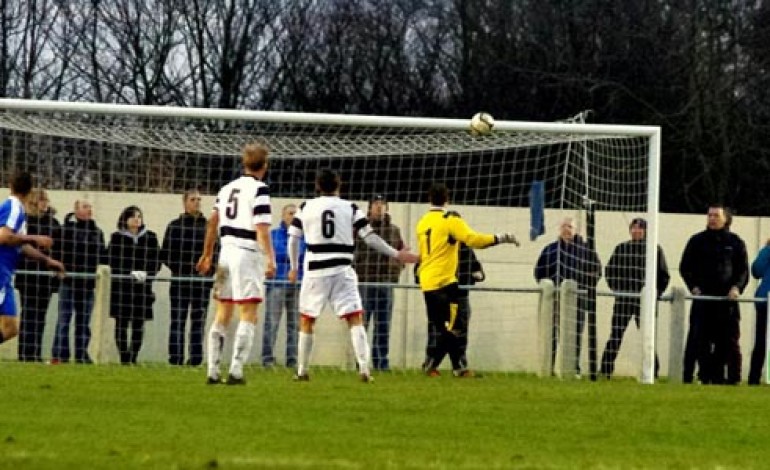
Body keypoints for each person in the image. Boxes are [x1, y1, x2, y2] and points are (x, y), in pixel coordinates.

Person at [287, 169, 419, 382]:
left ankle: (302, 371)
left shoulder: (305, 207)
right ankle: (365, 370)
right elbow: (370, 237)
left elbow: (293, 238)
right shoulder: (350, 208)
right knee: (355, 318)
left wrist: (294, 267)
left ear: (318, 186)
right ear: (339, 185)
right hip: (342, 268)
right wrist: (397, 254)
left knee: (307, 319)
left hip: (316, 270)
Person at [416, 182, 519, 378]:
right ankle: (437, 365)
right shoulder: (450, 219)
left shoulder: (423, 221)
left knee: (443, 328)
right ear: (447, 199)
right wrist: (501, 237)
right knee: (455, 327)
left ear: (429, 199)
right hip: (445, 283)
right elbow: (473, 240)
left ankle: (455, 368)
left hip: (427, 282)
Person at [196, 142, 276, 385]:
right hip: (246, 253)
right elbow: (262, 228)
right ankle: (236, 370)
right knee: (249, 311)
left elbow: (212, 222)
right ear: (265, 165)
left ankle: (212, 370)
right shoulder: (260, 190)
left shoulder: (226, 188)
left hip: (225, 254)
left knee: (222, 311)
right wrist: (270, 258)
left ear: (244, 163)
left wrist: (207, 253)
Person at [679, 204, 748, 385]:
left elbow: (743, 271)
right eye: (709, 215)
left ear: (725, 218)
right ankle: (702, 376)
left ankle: (728, 379)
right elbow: (685, 267)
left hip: (727, 303)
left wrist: (736, 288)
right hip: (703, 301)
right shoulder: (697, 241)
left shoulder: (735, 243)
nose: (712, 219)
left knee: (727, 342)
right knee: (699, 341)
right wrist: (693, 287)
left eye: (716, 216)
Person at [1, 173, 65, 349]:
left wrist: (47, 260)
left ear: (10, 185)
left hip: (5, 273)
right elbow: (4, 237)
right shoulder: (13, 207)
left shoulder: (18, 210)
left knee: (11, 328)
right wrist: (35, 238)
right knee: (10, 327)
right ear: (30, 191)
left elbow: (19, 244)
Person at [599, 218, 670, 379]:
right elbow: (610, 271)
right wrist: (618, 290)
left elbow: (664, 275)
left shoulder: (654, 250)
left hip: (645, 303)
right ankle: (605, 370)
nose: (636, 231)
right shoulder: (621, 248)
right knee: (616, 335)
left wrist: (654, 295)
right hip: (624, 300)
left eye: (640, 229)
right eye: (634, 228)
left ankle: (653, 372)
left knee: (648, 336)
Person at [534, 216, 601, 377]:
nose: (566, 229)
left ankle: (573, 368)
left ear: (576, 229)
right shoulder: (550, 250)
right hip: (555, 299)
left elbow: (597, 272)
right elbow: (539, 272)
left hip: (577, 299)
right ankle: (549, 368)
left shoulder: (587, 251)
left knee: (574, 334)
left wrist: (582, 285)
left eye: (570, 226)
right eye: (564, 226)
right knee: (553, 333)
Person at [353, 194, 405, 371]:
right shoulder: (360, 230)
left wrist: (395, 270)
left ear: (387, 208)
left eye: (382, 204)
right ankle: (361, 361)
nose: (379, 207)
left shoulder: (394, 230)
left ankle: (382, 361)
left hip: (385, 283)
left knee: (383, 325)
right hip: (365, 282)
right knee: (362, 323)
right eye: (376, 204)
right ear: (369, 208)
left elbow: (401, 253)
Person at [161, 189, 212, 366]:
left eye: (199, 199)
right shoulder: (175, 226)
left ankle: (196, 359)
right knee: (178, 320)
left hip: (202, 282)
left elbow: (216, 251)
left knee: (199, 321)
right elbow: (165, 254)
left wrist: (207, 268)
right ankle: (175, 358)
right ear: (185, 203)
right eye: (193, 199)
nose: (196, 202)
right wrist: (183, 268)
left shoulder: (208, 226)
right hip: (181, 281)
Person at [52, 199, 106, 364]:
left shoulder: (97, 232)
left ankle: (81, 354)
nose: (89, 209)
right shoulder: (64, 230)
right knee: (64, 320)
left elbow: (102, 255)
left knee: (84, 322)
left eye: (90, 206)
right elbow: (55, 252)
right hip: (69, 281)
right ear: (75, 210)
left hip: (88, 283)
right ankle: (61, 354)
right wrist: (59, 270)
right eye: (85, 206)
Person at [108, 206, 161, 365]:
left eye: (139, 216)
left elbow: (157, 260)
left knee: (139, 323)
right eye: (133, 217)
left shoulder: (150, 238)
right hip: (122, 288)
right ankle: (124, 357)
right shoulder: (117, 238)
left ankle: (133, 356)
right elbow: (111, 260)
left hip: (142, 288)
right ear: (125, 220)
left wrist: (147, 273)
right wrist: (128, 273)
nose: (137, 219)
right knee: (121, 323)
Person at [422, 242, 485, 373]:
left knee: (459, 331)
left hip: (461, 295)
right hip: (439, 295)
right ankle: (432, 362)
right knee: (438, 331)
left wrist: (477, 274)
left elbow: (476, 267)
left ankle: (458, 364)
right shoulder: (437, 246)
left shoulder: (466, 247)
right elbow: (421, 268)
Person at [15, 189, 61, 362]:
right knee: (29, 315)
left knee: (41, 317)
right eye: (41, 200)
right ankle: (25, 354)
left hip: (46, 277)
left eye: (46, 200)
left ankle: (36, 354)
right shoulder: (25, 221)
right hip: (28, 276)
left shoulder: (53, 223)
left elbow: (58, 247)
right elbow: (20, 245)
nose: (45, 203)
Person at [261, 203, 305, 368]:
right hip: (277, 283)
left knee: (295, 324)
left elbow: (304, 256)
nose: (292, 216)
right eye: (289, 213)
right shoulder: (274, 235)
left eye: (295, 214)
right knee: (271, 322)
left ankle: (292, 360)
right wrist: (292, 256)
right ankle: (267, 359)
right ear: (282, 216)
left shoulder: (303, 237)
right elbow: (277, 253)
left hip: (297, 283)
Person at [749, 239, 770, 385]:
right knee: (761, 342)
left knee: (761, 342)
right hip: (766, 301)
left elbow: (757, 270)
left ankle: (754, 379)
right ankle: (754, 378)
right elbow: (757, 270)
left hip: (765, 299)